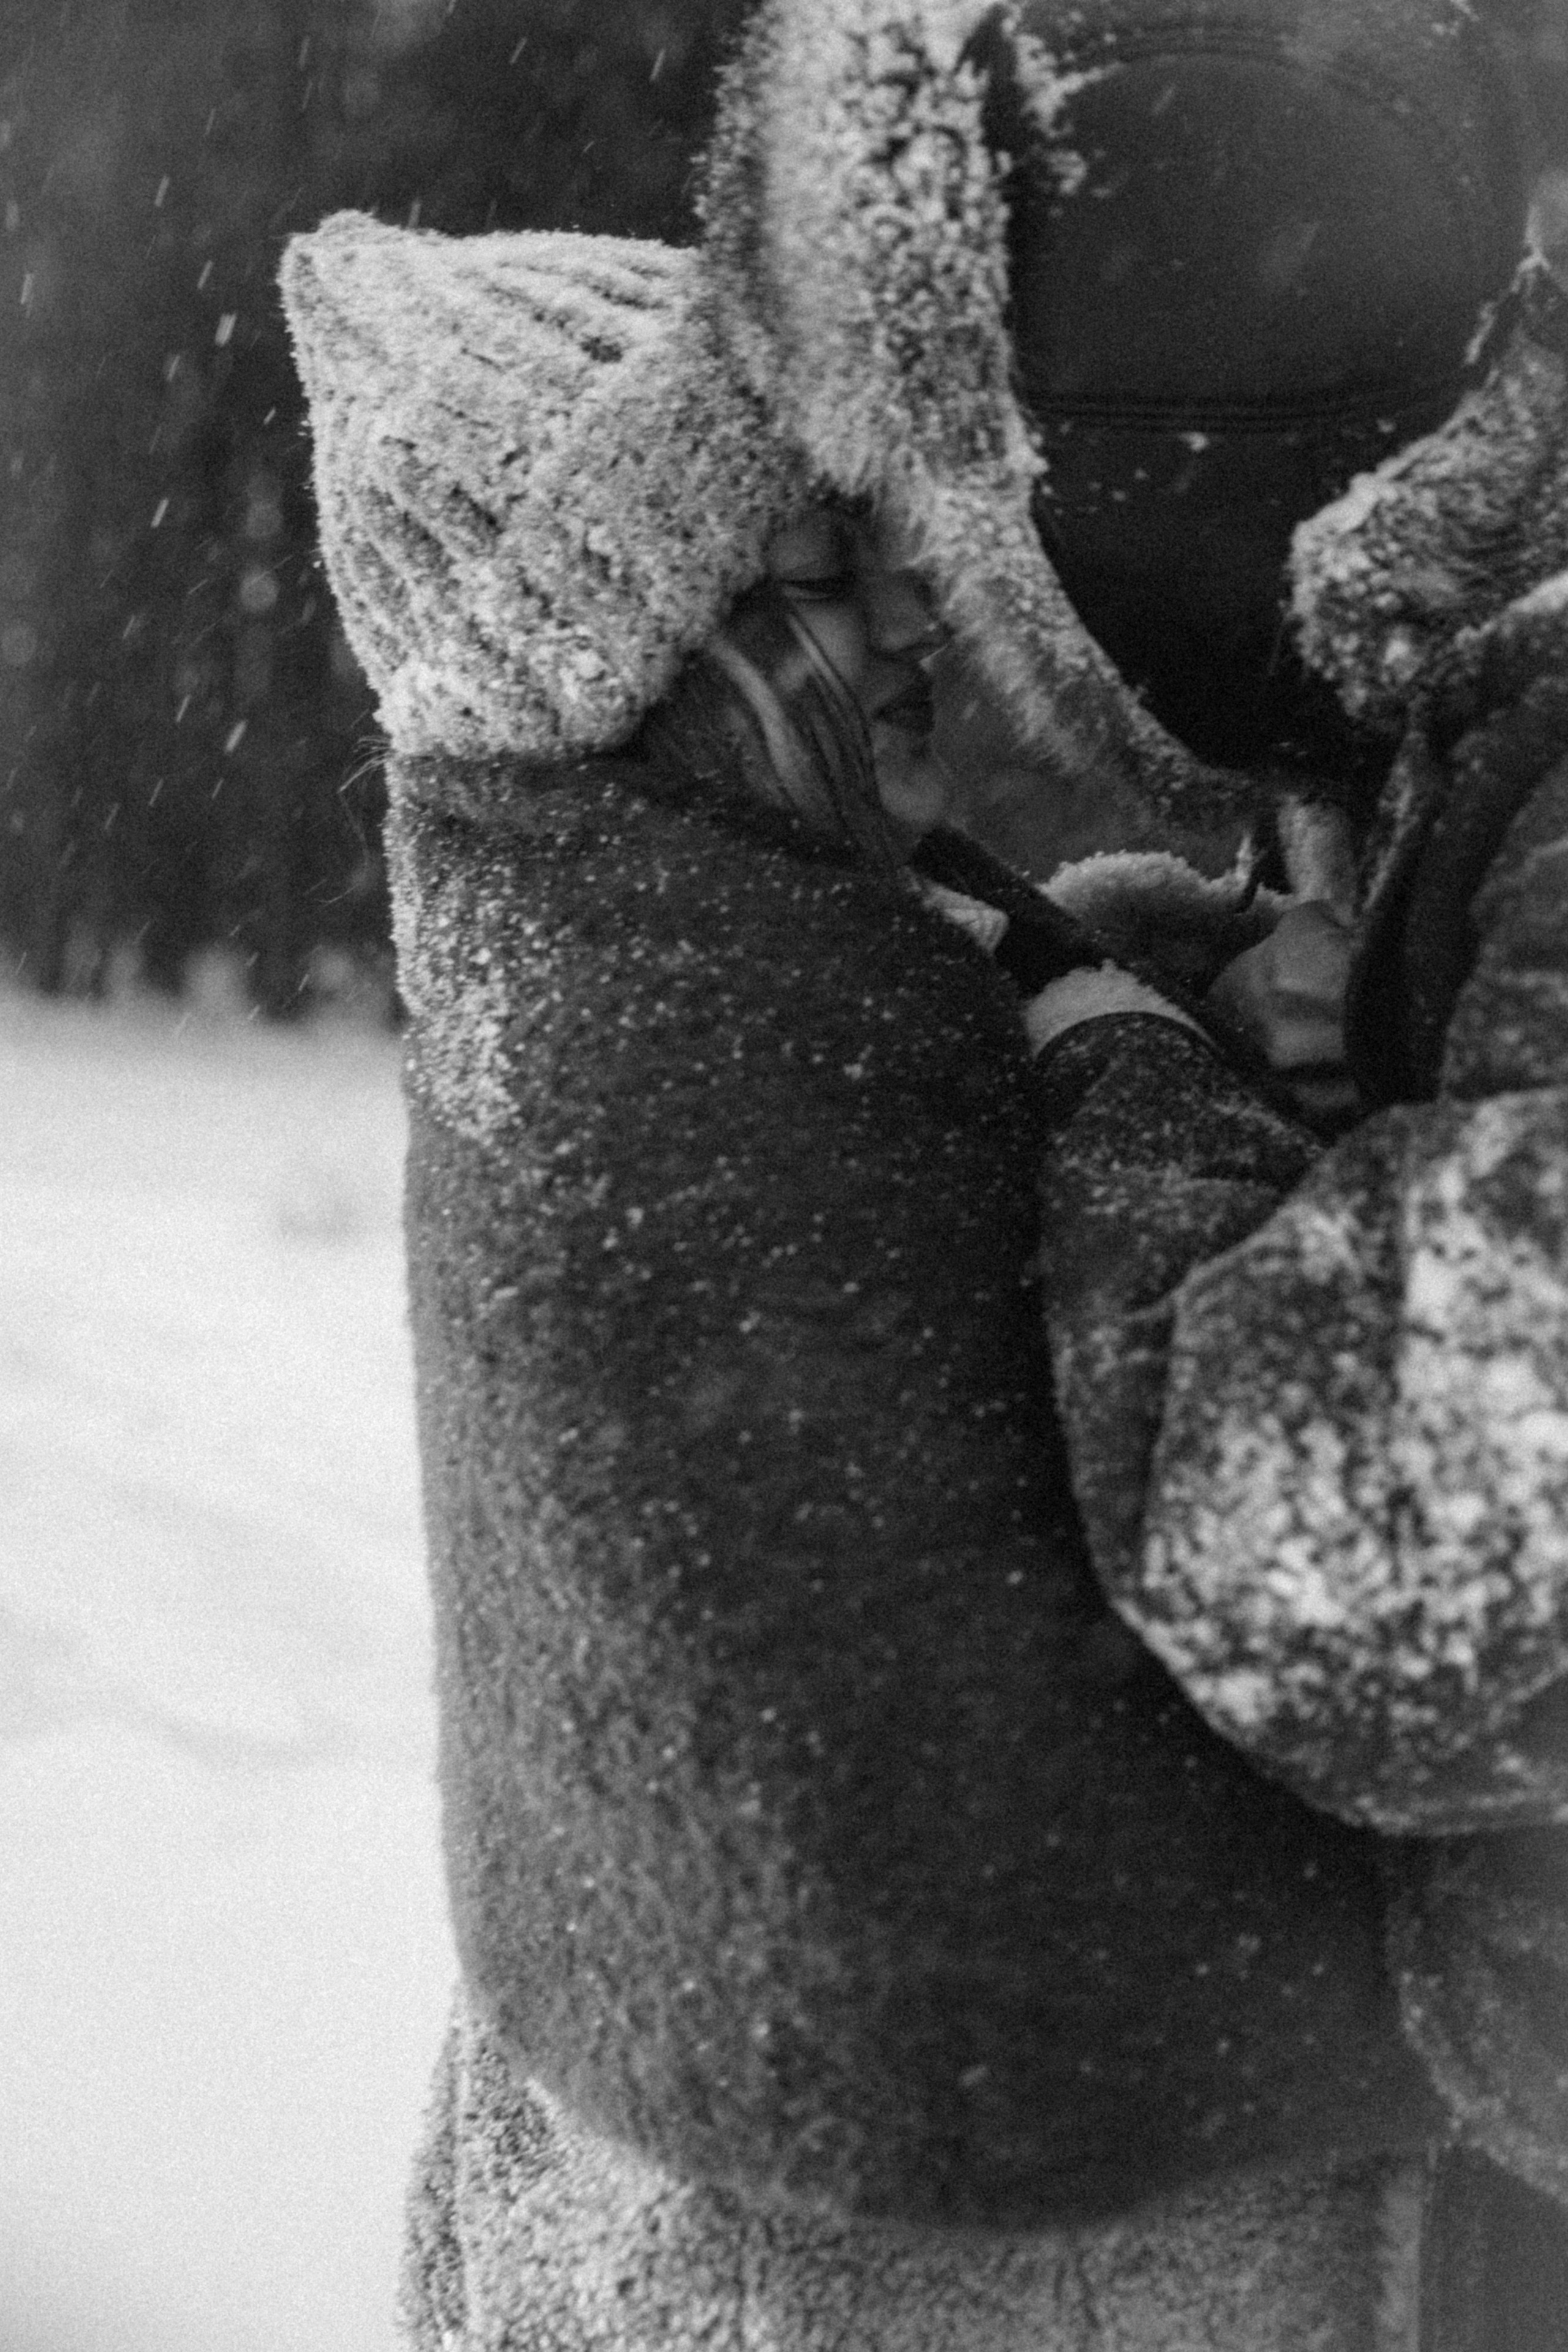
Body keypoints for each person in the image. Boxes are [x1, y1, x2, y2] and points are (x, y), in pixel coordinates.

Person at [283, 207, 1467, 2347]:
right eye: (820, 575)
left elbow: (983, 1012)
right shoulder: (678, 1033)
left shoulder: (724, 907)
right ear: (624, 645)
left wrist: (1159, 982)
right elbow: (929, 1878)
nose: (914, 608)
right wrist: (1138, 1065)